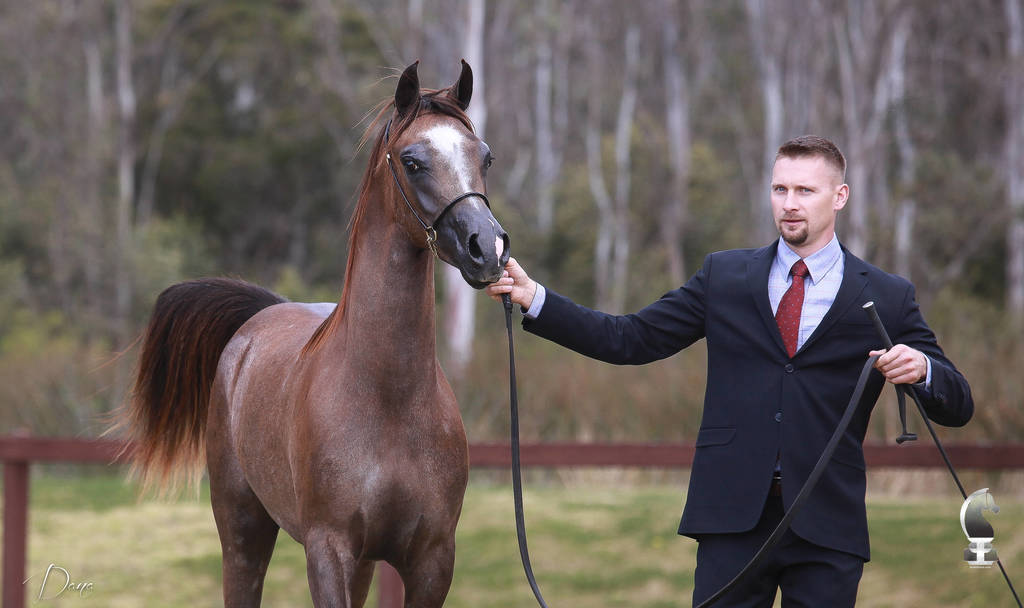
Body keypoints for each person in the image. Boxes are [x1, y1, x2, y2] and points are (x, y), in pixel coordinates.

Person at [485, 135, 973, 607]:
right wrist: (536, 299)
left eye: (806, 190)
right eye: (780, 189)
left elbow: (958, 402)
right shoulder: (725, 276)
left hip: (828, 523)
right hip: (731, 516)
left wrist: (923, 368)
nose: (790, 203)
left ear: (839, 196)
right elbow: (629, 339)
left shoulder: (887, 294)